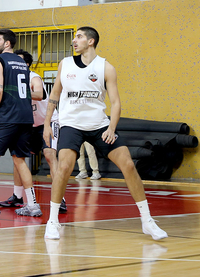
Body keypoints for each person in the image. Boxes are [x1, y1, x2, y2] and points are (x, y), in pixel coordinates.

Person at [43, 27, 167, 241]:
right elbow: (54, 94)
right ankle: (52, 221)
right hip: (71, 125)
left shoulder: (106, 67)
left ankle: (147, 221)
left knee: (128, 164)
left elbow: (116, 102)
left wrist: (111, 128)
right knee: (64, 166)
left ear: (91, 41)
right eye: (75, 37)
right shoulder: (65, 64)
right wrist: (47, 124)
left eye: (79, 37)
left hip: (99, 125)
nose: (74, 40)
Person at [0, 30, 41, 218]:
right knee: (19, 160)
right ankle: (33, 205)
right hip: (26, 117)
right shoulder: (22, 62)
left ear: (8, 43)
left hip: (8, 116)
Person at [0, 49, 66, 213]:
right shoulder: (10, 80)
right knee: (17, 158)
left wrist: (18, 92)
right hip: (27, 124)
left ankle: (60, 198)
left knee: (50, 155)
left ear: (26, 64)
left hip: (47, 123)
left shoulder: (33, 76)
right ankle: (17, 196)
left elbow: (40, 93)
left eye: (18, 61)